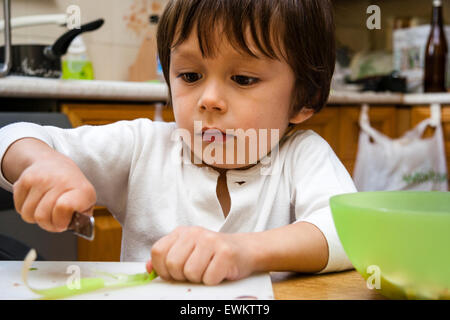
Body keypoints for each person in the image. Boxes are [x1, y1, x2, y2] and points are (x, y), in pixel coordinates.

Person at [0, 0, 356, 285]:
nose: (209, 99)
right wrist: (42, 162)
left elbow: (347, 234)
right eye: (190, 76)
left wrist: (242, 251)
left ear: (303, 97)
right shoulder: (143, 147)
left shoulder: (302, 156)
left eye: (243, 78)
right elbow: (12, 137)